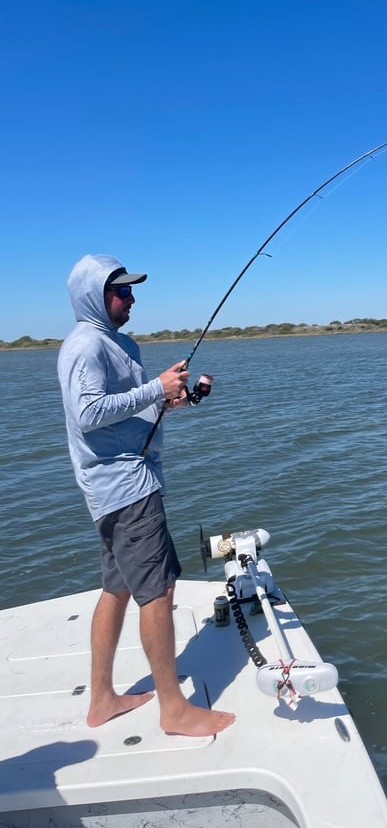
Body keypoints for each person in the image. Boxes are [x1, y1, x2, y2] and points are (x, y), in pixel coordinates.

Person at [57, 253, 235, 737]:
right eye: (121, 290)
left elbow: (129, 407)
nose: (131, 297)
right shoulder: (84, 347)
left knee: (116, 589)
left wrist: (171, 396)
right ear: (95, 295)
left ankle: (102, 699)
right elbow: (89, 413)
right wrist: (155, 385)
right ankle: (174, 710)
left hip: (123, 484)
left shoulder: (120, 344)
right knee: (158, 591)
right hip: (124, 488)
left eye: (132, 289)